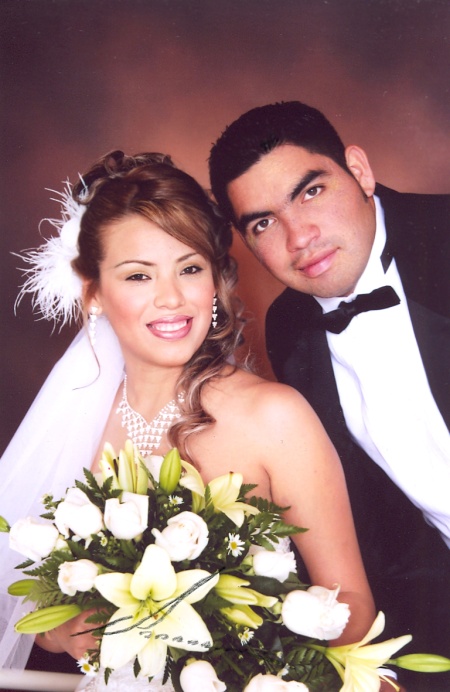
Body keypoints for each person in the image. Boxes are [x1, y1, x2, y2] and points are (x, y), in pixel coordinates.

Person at [0, 151, 381, 690]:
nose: (172, 298)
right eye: (138, 275)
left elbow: (353, 605)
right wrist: (61, 630)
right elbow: (29, 603)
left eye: (190, 268)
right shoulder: (76, 423)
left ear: (214, 282)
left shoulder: (274, 417)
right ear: (94, 293)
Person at [209, 101, 450, 690]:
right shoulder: (290, 327)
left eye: (311, 192)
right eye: (263, 223)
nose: (299, 238)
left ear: (360, 171)